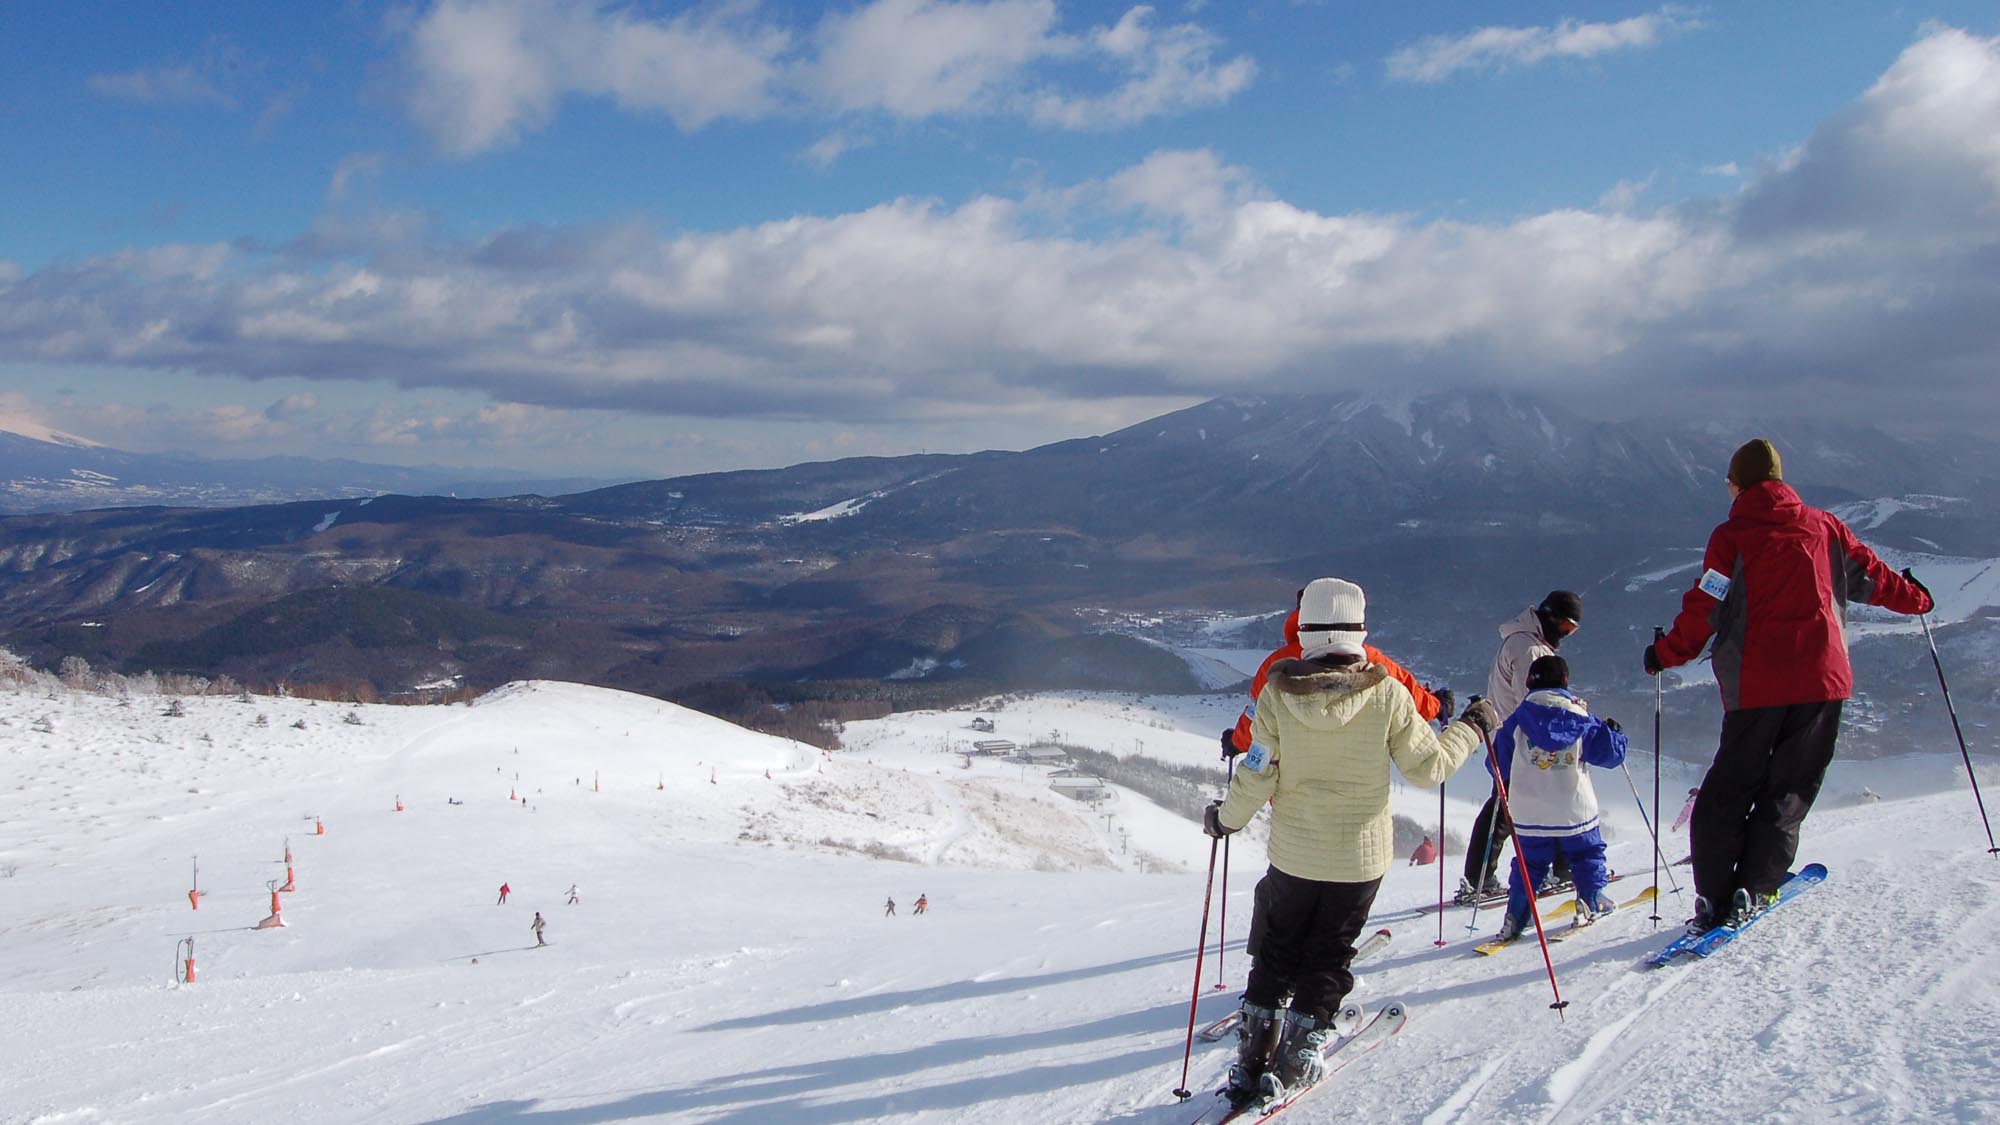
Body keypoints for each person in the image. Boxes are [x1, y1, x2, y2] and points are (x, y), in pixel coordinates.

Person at [1204, 577, 1497, 1106]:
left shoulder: (1275, 693)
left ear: (1305, 627)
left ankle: (1251, 1062)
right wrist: (1473, 726)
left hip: (1293, 853)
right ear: (1359, 629)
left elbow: (1258, 771)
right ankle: (1298, 1053)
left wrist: (1225, 819)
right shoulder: (1386, 692)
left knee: (1275, 952)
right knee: (1328, 955)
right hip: (1358, 859)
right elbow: (1429, 768)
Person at [1644, 438, 1932, 933]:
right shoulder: (1825, 527)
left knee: (1728, 790)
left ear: (1738, 484)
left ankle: (1714, 895)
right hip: (1822, 683)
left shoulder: (1731, 536)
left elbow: (1705, 606)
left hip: (1756, 687)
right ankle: (1754, 886)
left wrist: (1664, 654)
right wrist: (1919, 599)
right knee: (1789, 791)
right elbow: (1874, 578)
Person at [1488, 656, 1629, 942]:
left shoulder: (1516, 721)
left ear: (1529, 683)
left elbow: (1495, 765)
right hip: (1573, 808)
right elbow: (1611, 755)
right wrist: (1616, 735)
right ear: (1565, 681)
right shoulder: (1580, 718)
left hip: (1529, 809)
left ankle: (1517, 914)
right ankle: (1590, 901)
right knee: (1585, 855)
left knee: (1529, 863)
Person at [1459, 590, 1583, 903]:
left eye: (1572, 631)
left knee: (1507, 806)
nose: (1566, 635)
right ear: (1550, 616)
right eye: (1566, 627)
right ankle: (1558, 869)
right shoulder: (1530, 648)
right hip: (1522, 739)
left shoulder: (1523, 640)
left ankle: (1480, 876)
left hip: (1509, 735)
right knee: (1532, 804)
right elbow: (1535, 701)